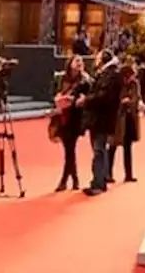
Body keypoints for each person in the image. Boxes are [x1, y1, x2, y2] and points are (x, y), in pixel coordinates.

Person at [82, 50, 122, 196]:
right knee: (99, 150)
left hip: (102, 119)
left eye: (98, 58)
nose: (96, 60)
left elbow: (104, 97)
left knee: (99, 150)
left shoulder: (112, 75)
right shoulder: (105, 74)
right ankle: (100, 179)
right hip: (98, 119)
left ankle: (98, 182)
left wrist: (87, 100)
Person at [51, 55, 91, 191]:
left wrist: (75, 100)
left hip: (75, 117)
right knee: (69, 149)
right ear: (70, 63)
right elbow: (54, 92)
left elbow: (88, 96)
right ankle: (75, 179)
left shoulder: (85, 80)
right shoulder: (61, 78)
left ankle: (64, 180)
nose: (79, 63)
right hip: (62, 116)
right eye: (76, 61)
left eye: (81, 61)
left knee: (70, 149)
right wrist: (57, 98)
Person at [108, 58, 143, 184]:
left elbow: (137, 97)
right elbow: (115, 99)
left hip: (130, 118)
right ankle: (108, 173)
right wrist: (123, 102)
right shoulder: (117, 84)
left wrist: (133, 102)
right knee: (112, 146)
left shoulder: (135, 84)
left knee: (128, 146)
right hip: (118, 118)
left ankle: (129, 174)